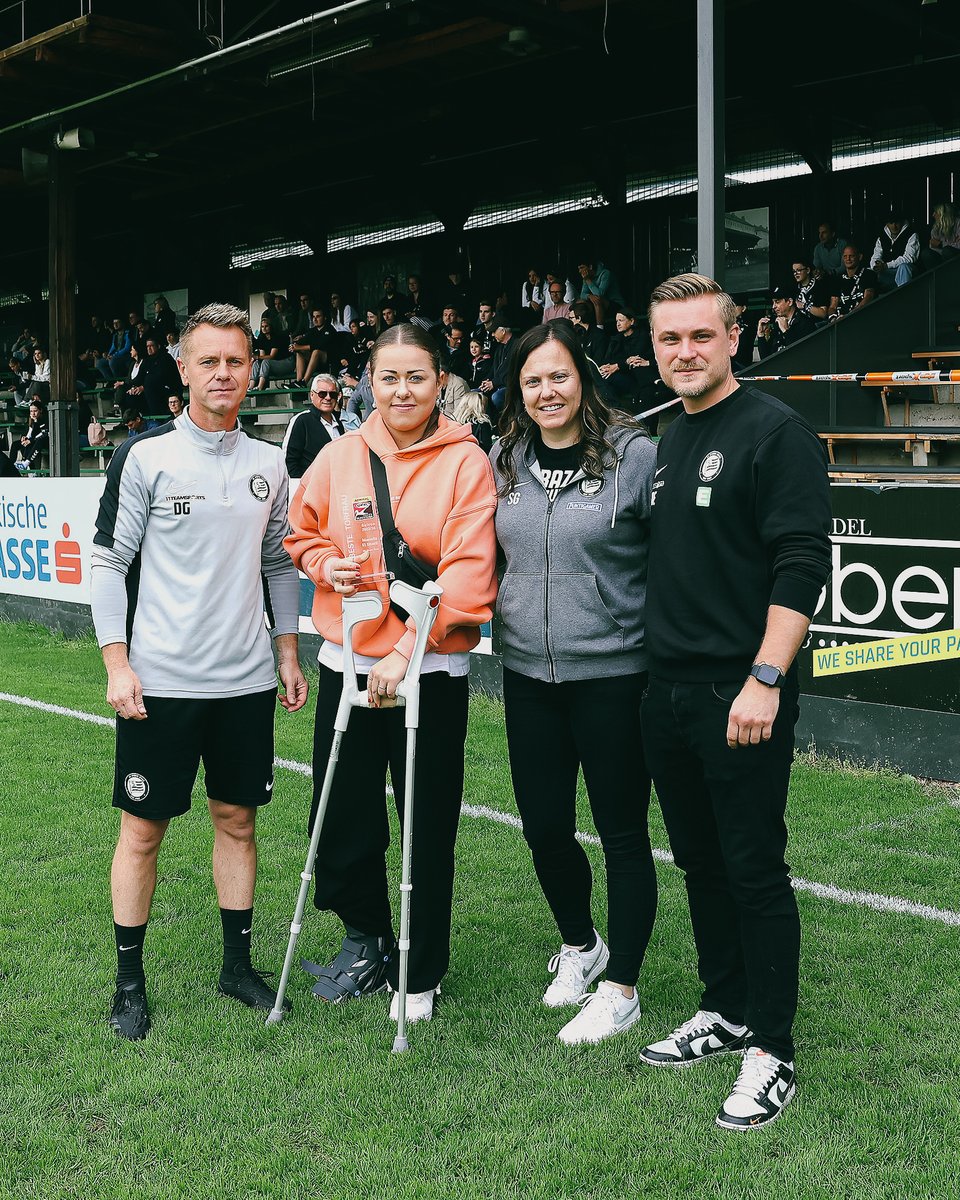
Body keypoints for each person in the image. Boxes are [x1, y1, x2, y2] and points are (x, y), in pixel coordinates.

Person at [639, 273, 831, 1130]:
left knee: (753, 866)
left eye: (699, 337)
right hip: (666, 691)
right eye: (669, 339)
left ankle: (773, 1050)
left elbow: (799, 564)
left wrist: (765, 678)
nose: (685, 352)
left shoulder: (774, 433)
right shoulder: (667, 440)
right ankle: (725, 1009)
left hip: (739, 692)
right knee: (700, 861)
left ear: (733, 337)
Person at [90, 302, 308, 1042]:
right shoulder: (145, 456)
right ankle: (129, 982)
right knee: (143, 832)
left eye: (236, 361)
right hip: (161, 685)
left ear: (253, 370)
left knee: (238, 822)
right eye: (208, 360)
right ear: (182, 369)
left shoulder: (269, 462)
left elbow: (279, 563)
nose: (223, 373)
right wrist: (117, 663)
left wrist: (286, 650)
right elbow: (109, 563)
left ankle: (236, 966)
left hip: (244, 682)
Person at [284, 322, 497, 1026]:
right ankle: (368, 936)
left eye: (416, 377)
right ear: (366, 383)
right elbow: (302, 531)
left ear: (441, 382)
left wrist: (408, 649)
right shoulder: (341, 453)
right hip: (347, 658)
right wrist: (324, 564)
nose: (401, 390)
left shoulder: (466, 462)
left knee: (424, 821)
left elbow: (469, 572)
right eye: (388, 377)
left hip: (428, 666)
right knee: (340, 815)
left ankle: (421, 965)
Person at [489, 320, 658, 1046]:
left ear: (583, 377)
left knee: (622, 833)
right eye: (532, 380)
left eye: (558, 376)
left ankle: (623, 991)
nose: (545, 391)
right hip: (527, 673)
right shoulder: (503, 457)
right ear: (517, 391)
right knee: (545, 828)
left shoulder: (636, 456)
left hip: (616, 675)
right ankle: (582, 947)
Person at [282, 373, 359, 478]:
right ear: (312, 395)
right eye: (322, 394)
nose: (328, 398)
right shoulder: (302, 420)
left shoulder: (339, 421)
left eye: (332, 394)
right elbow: (290, 460)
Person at [755, 283, 816, 358]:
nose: (773, 306)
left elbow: (802, 356)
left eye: (777, 302)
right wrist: (761, 335)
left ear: (790, 302)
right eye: (773, 302)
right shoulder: (777, 323)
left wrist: (786, 331)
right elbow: (765, 358)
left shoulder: (805, 323)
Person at [870, 210, 920, 290]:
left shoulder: (911, 234)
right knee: (868, 272)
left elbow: (909, 258)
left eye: (897, 223)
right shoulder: (882, 237)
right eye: (891, 223)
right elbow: (876, 255)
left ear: (902, 222)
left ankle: (904, 297)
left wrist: (886, 265)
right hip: (888, 272)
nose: (894, 226)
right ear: (887, 224)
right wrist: (875, 266)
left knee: (904, 267)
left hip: (907, 272)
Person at [828, 243, 878, 320]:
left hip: (862, 318)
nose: (848, 259)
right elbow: (833, 306)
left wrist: (848, 316)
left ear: (860, 257)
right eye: (845, 256)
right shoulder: (837, 279)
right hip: (839, 321)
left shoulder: (869, 274)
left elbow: (868, 298)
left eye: (851, 256)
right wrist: (833, 319)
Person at [0, 398, 48, 476]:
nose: (33, 413)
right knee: (16, 444)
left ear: (41, 410)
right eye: (31, 411)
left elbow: (43, 434)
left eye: (35, 411)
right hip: (33, 440)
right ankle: (11, 465)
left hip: (41, 441)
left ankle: (26, 463)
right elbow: (29, 432)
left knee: (33, 443)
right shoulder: (32, 420)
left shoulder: (43, 420)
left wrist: (30, 440)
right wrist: (25, 437)